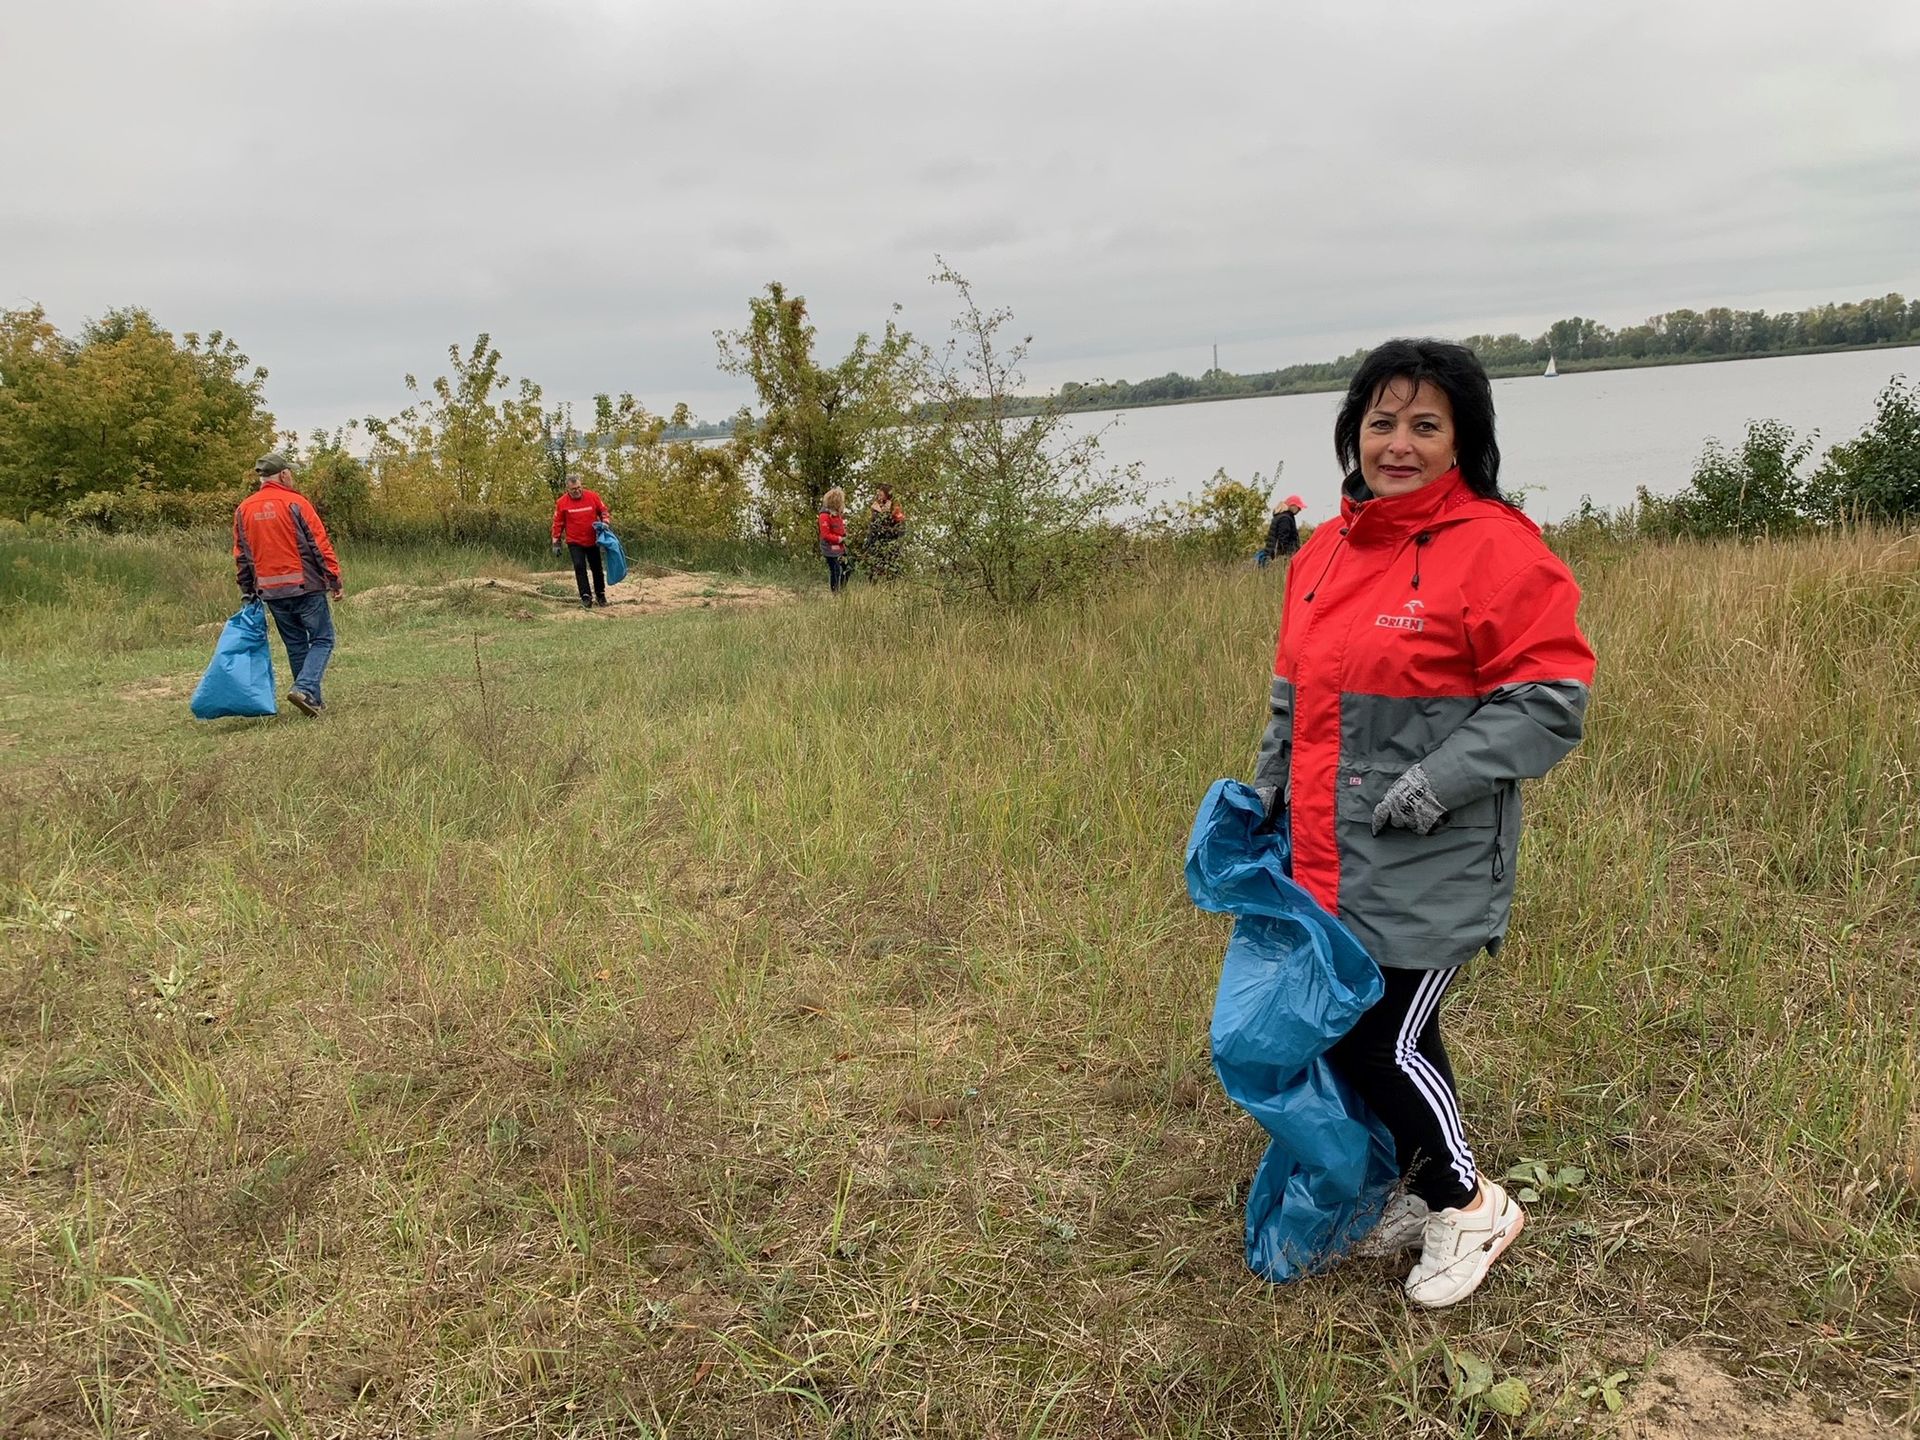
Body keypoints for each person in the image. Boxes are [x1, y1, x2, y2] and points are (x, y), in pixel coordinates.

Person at [1251, 338, 1595, 1308]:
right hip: (1326, 850)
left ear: (1462, 440)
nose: (1398, 443)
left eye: (1425, 425)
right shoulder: (1320, 551)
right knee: (1377, 1032)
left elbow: (1548, 700)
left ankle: (1469, 1203)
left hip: (1428, 852)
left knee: (1377, 1043)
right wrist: (1268, 785)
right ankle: (1413, 1188)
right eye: (1381, 421)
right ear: (1353, 432)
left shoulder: (1496, 546)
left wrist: (1439, 780)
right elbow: (1293, 690)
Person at [232, 452, 344, 717]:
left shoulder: (243, 509)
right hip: (305, 585)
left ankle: (310, 701)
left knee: (295, 644)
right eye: (290, 472)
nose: (291, 476)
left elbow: (242, 554)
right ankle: (304, 688)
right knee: (323, 638)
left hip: (270, 591)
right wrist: (334, 579)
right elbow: (319, 544)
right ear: (283, 475)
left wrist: (247, 590)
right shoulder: (296, 503)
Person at [550, 474, 610, 609]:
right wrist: (556, 542)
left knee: (597, 568)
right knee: (579, 566)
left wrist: (605, 522)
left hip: (592, 539)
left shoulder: (592, 496)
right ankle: (585, 596)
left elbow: (603, 511)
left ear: (581, 486)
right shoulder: (561, 503)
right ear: (567, 489)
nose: (577, 491)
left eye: (578, 488)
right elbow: (558, 523)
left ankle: (601, 595)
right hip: (574, 541)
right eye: (573, 489)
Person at [862, 484, 906, 580]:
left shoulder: (895, 508)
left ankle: (891, 586)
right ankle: (871, 586)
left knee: (892, 566)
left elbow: (901, 527)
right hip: (876, 540)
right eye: (878, 495)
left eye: (881, 495)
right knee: (874, 566)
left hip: (891, 541)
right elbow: (873, 525)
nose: (879, 497)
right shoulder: (875, 507)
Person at [1255, 495, 1305, 566]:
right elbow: (1283, 540)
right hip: (1280, 557)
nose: (1300, 509)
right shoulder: (1285, 519)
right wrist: (1288, 555)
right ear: (1292, 506)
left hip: (1274, 554)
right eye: (1299, 507)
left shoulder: (1281, 516)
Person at [818, 486, 849, 593]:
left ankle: (842, 589)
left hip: (840, 546)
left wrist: (845, 534)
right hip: (829, 547)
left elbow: (839, 528)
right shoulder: (824, 515)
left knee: (848, 567)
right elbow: (825, 534)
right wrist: (839, 539)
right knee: (835, 570)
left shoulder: (837, 514)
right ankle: (835, 592)